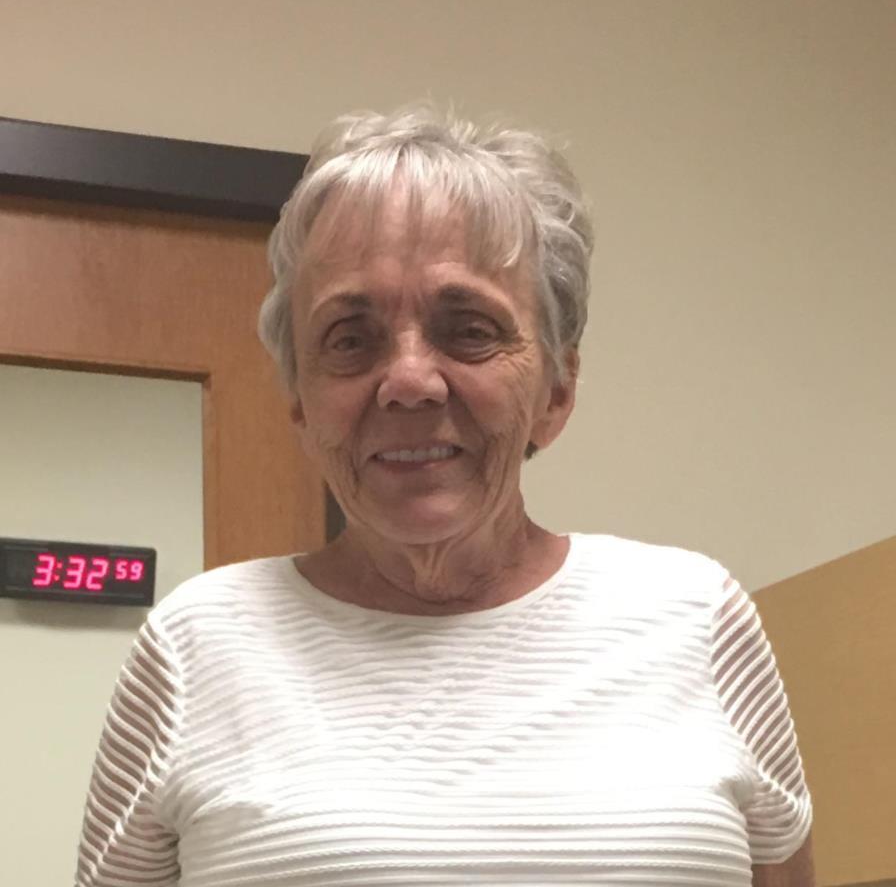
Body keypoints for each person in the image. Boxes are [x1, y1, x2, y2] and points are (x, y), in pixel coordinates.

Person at [74, 101, 815, 886]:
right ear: (300, 403)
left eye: (469, 330)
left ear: (557, 389)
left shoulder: (699, 615)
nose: (409, 381)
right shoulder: (193, 646)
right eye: (349, 339)